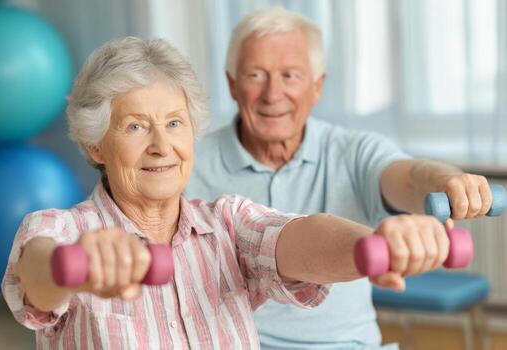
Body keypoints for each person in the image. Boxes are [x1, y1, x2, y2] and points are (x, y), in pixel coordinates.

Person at [1, 36, 453, 350]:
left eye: (174, 123)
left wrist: (375, 244)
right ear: (94, 144)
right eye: (136, 126)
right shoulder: (59, 228)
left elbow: (300, 237)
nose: (162, 145)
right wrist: (74, 269)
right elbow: (36, 277)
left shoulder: (227, 224)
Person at [184, 7, 494, 350]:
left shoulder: (353, 150)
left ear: (317, 87)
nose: (273, 94)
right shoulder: (186, 163)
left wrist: (448, 182)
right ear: (232, 84)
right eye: (256, 75)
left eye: (290, 76)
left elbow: (410, 179)